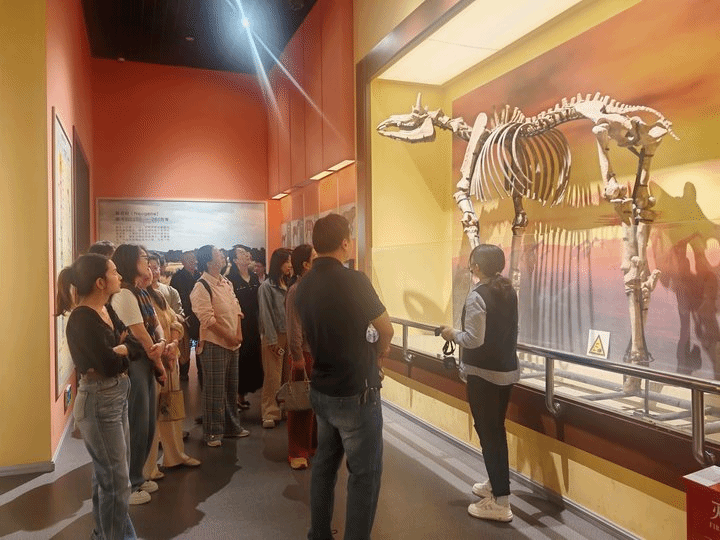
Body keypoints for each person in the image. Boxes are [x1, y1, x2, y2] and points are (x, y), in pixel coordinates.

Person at [295, 214, 393, 540]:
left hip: (322, 389)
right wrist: (380, 353)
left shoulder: (303, 286)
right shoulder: (355, 280)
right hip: (356, 391)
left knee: (324, 467)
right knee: (364, 475)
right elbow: (385, 328)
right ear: (345, 243)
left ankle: (319, 533)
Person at [58, 253, 137, 539]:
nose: (119, 276)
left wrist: (124, 349)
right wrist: (122, 350)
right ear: (100, 282)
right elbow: (109, 363)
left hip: (115, 395)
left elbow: (134, 345)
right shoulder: (82, 318)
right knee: (116, 482)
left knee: (109, 477)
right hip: (99, 401)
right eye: (114, 272)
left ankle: (103, 534)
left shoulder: (106, 309)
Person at [439, 244, 520, 523]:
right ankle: (496, 484)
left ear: (476, 266)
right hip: (506, 372)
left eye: (472, 262)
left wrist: (452, 333)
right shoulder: (508, 291)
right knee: (495, 430)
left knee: (488, 433)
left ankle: (501, 502)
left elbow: (474, 339)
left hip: (483, 375)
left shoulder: (477, 296)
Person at [111, 245, 168, 505]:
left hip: (146, 361)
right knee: (136, 423)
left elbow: (156, 326)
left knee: (147, 424)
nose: (148, 262)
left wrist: (162, 342)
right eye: (143, 258)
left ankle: (138, 475)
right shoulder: (124, 293)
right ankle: (130, 484)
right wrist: (160, 361)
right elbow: (141, 334)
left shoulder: (141, 292)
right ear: (131, 262)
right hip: (135, 363)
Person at [143, 257, 201, 475]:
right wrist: (162, 352)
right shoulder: (134, 297)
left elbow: (176, 320)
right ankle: (148, 468)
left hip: (170, 358)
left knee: (172, 408)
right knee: (150, 417)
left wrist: (174, 342)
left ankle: (175, 455)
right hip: (152, 364)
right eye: (147, 267)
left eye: (154, 267)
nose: (152, 272)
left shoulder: (161, 294)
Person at [190, 245, 249, 446]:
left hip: (232, 343)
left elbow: (237, 308)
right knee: (214, 390)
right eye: (217, 253)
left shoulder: (226, 282)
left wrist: (237, 334)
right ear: (208, 261)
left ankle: (232, 427)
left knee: (231, 388)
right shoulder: (201, 286)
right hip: (215, 344)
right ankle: (213, 432)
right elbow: (207, 319)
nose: (222, 255)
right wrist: (229, 337)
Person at [285, 244, 317, 470]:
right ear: (305, 265)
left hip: (317, 352)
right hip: (303, 353)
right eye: (314, 257)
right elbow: (294, 326)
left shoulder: (316, 288)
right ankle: (297, 451)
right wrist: (297, 356)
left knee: (314, 404)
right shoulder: (296, 291)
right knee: (300, 404)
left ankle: (312, 446)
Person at [257, 248, 293, 428]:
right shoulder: (267, 286)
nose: (290, 265)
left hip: (289, 335)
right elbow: (265, 315)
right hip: (274, 335)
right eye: (287, 261)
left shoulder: (289, 284)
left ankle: (285, 408)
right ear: (279, 263)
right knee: (273, 376)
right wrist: (271, 340)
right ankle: (270, 412)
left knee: (288, 375)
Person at [226, 245, 263, 409]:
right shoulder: (230, 279)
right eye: (241, 253)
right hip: (238, 324)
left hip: (253, 324)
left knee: (251, 359)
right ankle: (235, 397)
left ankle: (242, 396)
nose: (247, 254)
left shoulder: (254, 278)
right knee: (239, 360)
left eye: (246, 252)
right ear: (235, 260)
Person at [170, 251, 200, 382]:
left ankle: (201, 371)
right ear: (183, 262)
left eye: (193, 259)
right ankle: (183, 373)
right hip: (184, 317)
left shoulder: (199, 275)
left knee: (199, 344)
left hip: (198, 317)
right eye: (189, 259)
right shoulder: (177, 278)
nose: (192, 261)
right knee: (184, 346)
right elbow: (174, 299)